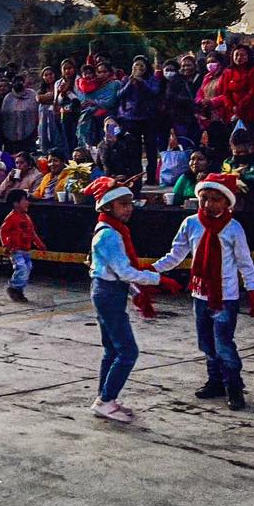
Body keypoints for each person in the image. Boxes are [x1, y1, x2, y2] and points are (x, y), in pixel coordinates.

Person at [151, 173, 254, 410]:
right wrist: (152, 270)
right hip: (200, 294)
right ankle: (215, 381)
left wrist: (252, 289)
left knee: (224, 344)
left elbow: (244, 261)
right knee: (206, 343)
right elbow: (176, 254)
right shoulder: (191, 223)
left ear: (226, 203)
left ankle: (234, 385)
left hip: (225, 296)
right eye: (204, 199)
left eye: (215, 200)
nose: (209, 205)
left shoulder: (233, 228)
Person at [87, 179, 177, 423]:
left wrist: (136, 290)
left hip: (107, 291)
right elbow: (124, 272)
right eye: (122, 204)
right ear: (107, 207)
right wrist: (157, 279)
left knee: (112, 350)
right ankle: (106, 399)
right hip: (108, 293)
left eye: (129, 203)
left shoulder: (113, 231)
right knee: (128, 352)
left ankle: (105, 398)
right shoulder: (109, 236)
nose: (128, 209)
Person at [0, 189, 44, 303]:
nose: (27, 202)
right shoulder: (11, 217)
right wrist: (6, 245)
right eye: (24, 200)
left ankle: (18, 289)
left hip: (26, 249)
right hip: (16, 249)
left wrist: (39, 244)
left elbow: (32, 233)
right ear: (16, 203)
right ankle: (14, 287)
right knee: (22, 268)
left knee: (27, 268)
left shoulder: (27, 218)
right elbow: (3, 231)